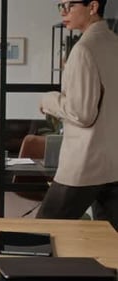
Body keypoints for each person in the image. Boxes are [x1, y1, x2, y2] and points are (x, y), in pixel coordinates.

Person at [37, 0, 118, 230]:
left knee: (42, 236)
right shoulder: (114, 44)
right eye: (60, 5)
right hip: (113, 164)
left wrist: (48, 100)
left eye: (69, 5)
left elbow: (82, 113)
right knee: (111, 244)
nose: (63, 11)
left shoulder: (83, 49)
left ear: (93, 7)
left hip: (85, 163)